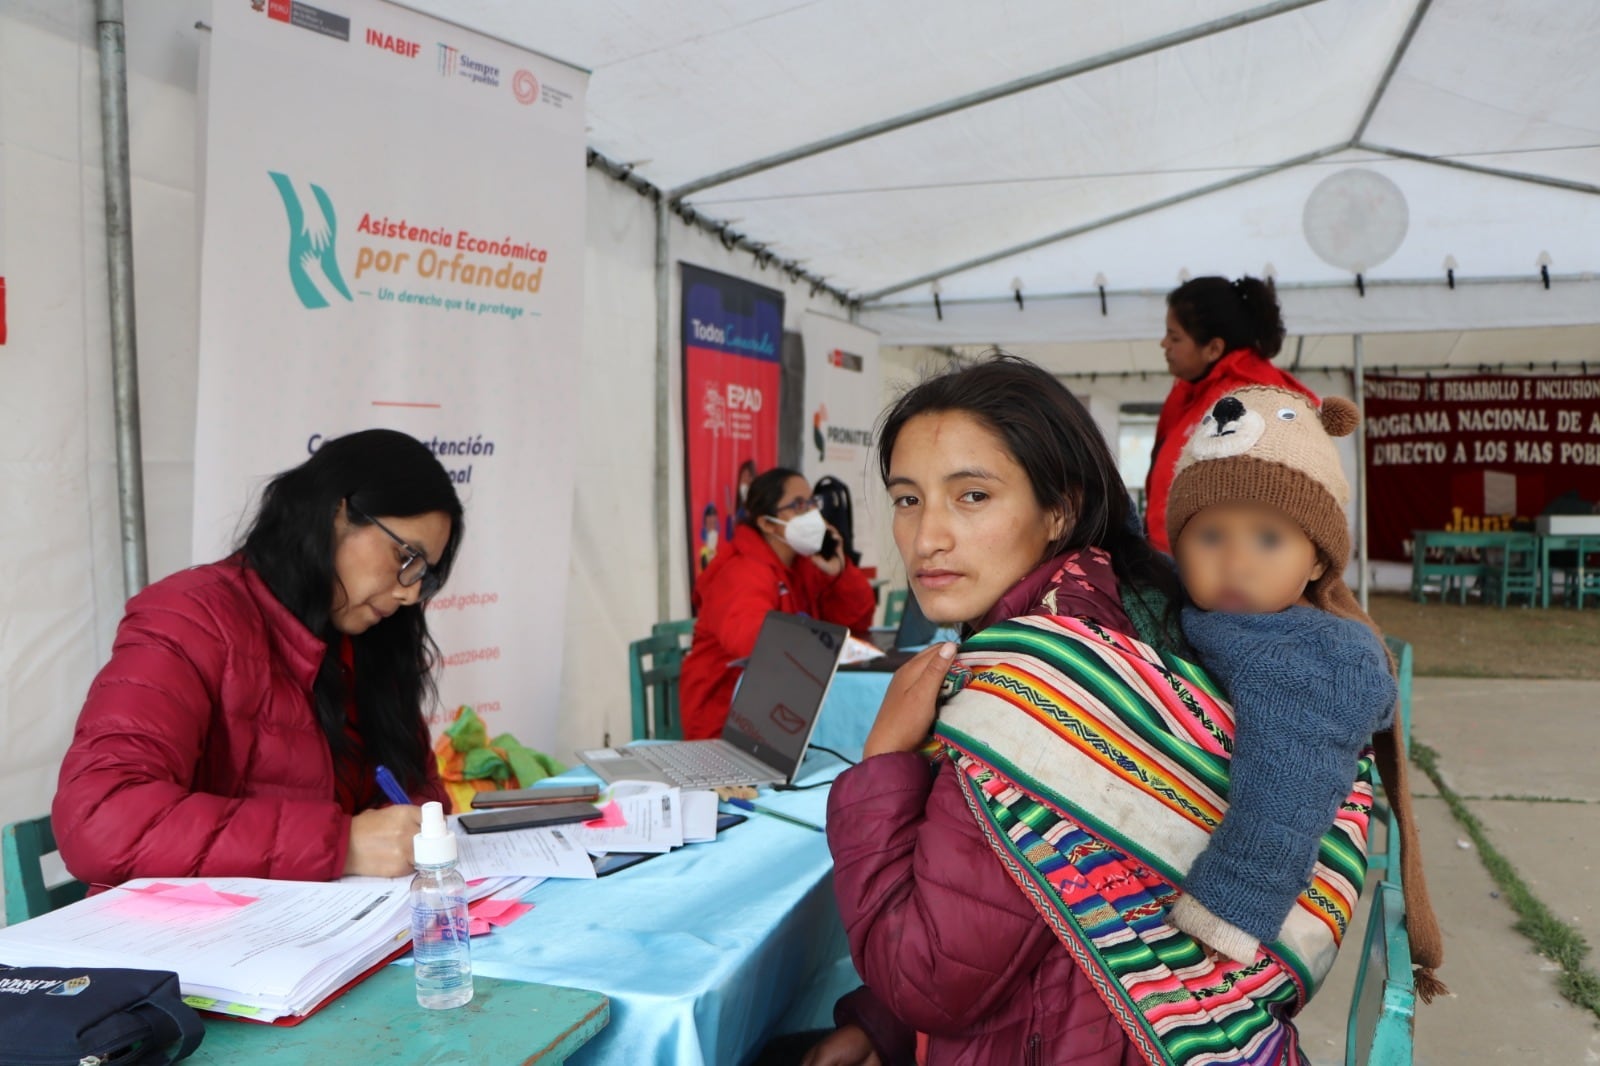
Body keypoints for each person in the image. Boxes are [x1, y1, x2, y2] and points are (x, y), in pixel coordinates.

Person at [809, 355, 1439, 1066]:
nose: (927, 539)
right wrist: (880, 1025)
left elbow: (931, 979)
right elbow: (1038, 916)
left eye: (973, 496)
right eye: (906, 499)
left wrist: (883, 764)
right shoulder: (1131, 602)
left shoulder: (1042, 680)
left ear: (1062, 510)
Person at [53, 429, 464, 887]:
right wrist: (341, 843)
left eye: (424, 574)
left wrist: (401, 832)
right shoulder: (190, 617)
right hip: (179, 941)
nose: (409, 593)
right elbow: (101, 820)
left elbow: (419, 793)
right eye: (405, 556)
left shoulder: (369, 640)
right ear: (337, 512)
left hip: (318, 933)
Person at [1162, 387, 1438, 985]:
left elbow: (1292, 779)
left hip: (1244, 913)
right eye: (1209, 537)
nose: (1237, 561)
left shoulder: (1313, 659)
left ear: (1316, 563)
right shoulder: (1200, 608)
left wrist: (1230, 904)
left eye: (1268, 539)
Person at [680, 467, 875, 740]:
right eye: (797, 505)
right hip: (725, 723)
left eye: (811, 503)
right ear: (767, 523)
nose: (810, 513)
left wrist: (839, 572)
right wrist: (819, 645)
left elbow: (857, 620)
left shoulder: (803, 563)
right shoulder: (742, 571)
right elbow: (756, 644)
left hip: (781, 713)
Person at [1145, 275, 1316, 553]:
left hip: (1229, 572)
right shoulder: (1194, 392)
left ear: (1214, 348)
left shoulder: (1250, 401)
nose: (1164, 344)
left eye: (1174, 337)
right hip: (1187, 564)